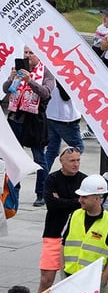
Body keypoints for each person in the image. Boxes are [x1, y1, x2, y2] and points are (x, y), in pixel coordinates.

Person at [36, 147, 85, 293]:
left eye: (78, 160)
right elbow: (51, 204)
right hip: (53, 234)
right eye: (72, 160)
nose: (76, 164)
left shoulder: (84, 180)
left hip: (76, 238)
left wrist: (63, 201)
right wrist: (76, 202)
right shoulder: (52, 179)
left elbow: (86, 205)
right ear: (61, 161)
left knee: (70, 283)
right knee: (46, 280)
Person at [4, 46, 55, 208]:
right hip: (16, 118)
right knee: (13, 158)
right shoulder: (19, 70)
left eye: (31, 52)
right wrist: (12, 79)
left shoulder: (46, 72)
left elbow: (46, 93)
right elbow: (6, 90)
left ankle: (42, 193)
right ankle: (13, 189)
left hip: (35, 121)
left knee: (39, 158)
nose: (28, 56)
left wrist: (30, 81)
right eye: (25, 52)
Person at [62, 173, 108, 293]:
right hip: (70, 277)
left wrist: (103, 280)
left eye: (84, 197)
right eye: (80, 196)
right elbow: (63, 243)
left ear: (97, 198)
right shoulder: (74, 215)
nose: (80, 200)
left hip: (94, 283)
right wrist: (62, 271)